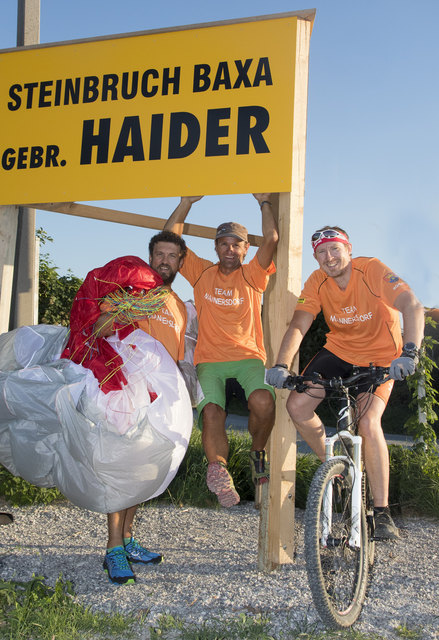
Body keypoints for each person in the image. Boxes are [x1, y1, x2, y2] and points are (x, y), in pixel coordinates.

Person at [266, 226, 424, 539]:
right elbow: (300, 323)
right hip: (338, 351)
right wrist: (281, 364)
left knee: (368, 423)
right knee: (297, 405)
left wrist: (410, 353)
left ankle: (381, 512)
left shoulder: (372, 269)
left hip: (380, 357)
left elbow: (412, 305)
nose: (329, 257)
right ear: (316, 257)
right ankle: (338, 469)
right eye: (322, 252)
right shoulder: (316, 281)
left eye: (335, 249)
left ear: (348, 249)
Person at [164, 194, 278, 507]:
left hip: (248, 357)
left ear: (245, 249)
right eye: (224, 243)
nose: (230, 249)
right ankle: (218, 470)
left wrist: (264, 203)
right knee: (212, 411)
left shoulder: (253, 275)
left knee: (264, 400)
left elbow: (272, 238)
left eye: (236, 244)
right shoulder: (202, 273)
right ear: (216, 248)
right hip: (210, 360)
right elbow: (170, 241)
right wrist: (187, 202)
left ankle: (257, 451)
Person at [94, 230, 189, 584]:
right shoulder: (129, 291)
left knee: (145, 470)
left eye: (172, 256)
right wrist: (123, 311)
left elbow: (175, 364)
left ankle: (129, 539)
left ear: (180, 262)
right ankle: (113, 549)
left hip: (160, 402)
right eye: (159, 254)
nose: (165, 261)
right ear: (150, 257)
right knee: (122, 469)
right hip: (125, 396)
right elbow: (99, 328)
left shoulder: (179, 307)